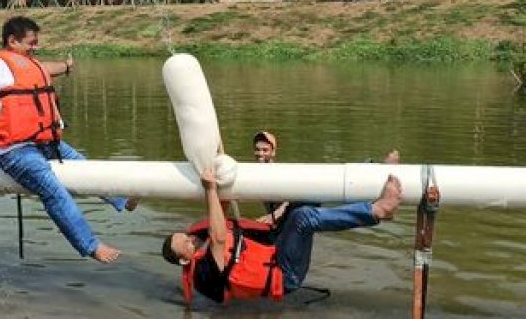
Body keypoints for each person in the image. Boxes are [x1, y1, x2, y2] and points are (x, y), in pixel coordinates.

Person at [0, 16, 135, 264]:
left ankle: (123, 200)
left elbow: (46, 68)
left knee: (86, 167)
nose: (35, 47)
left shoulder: (27, 64)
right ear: (12, 40)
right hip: (12, 151)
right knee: (54, 191)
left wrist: (66, 66)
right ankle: (91, 245)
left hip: (43, 142)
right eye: (31, 43)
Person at [161, 149, 403, 303]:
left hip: (276, 249)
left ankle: (373, 175)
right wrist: (210, 189)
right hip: (285, 274)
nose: (189, 239)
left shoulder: (200, 236)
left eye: (183, 235)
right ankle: (377, 210)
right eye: (184, 244)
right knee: (303, 218)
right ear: (184, 260)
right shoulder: (205, 274)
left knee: (304, 197)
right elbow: (220, 238)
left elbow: (220, 214)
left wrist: (217, 162)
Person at [253, 130, 399, 228]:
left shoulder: (281, 171)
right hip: (285, 220)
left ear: (273, 152)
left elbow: (291, 197)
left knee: (329, 186)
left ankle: (379, 171)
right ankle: (376, 203)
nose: (260, 154)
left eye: (265, 150)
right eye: (257, 149)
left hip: (293, 212)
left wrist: (275, 215)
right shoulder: (248, 172)